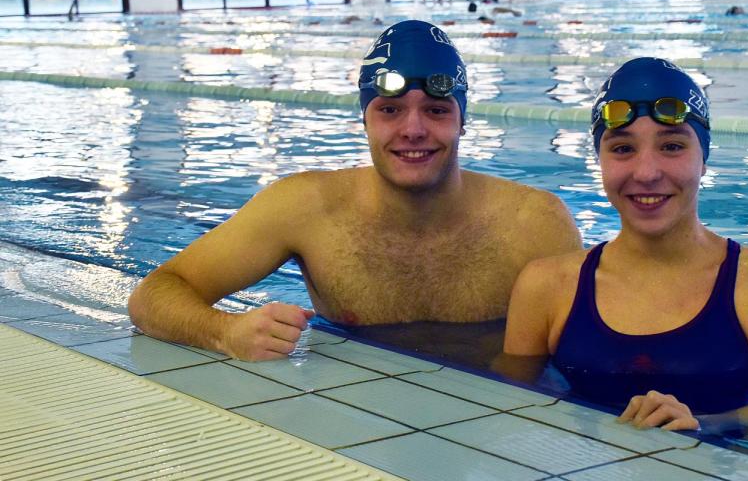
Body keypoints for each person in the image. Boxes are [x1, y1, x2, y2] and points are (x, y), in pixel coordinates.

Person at [128, 20, 582, 363]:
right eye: (390, 110)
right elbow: (153, 296)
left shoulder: (534, 223)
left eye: (436, 110)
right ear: (364, 119)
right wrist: (225, 332)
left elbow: (591, 346)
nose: (413, 129)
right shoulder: (305, 207)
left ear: (463, 120)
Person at [497, 57, 748, 435]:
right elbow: (503, 399)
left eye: (671, 146)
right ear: (600, 161)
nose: (647, 173)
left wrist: (703, 426)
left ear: (704, 158)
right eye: (623, 149)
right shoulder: (545, 285)